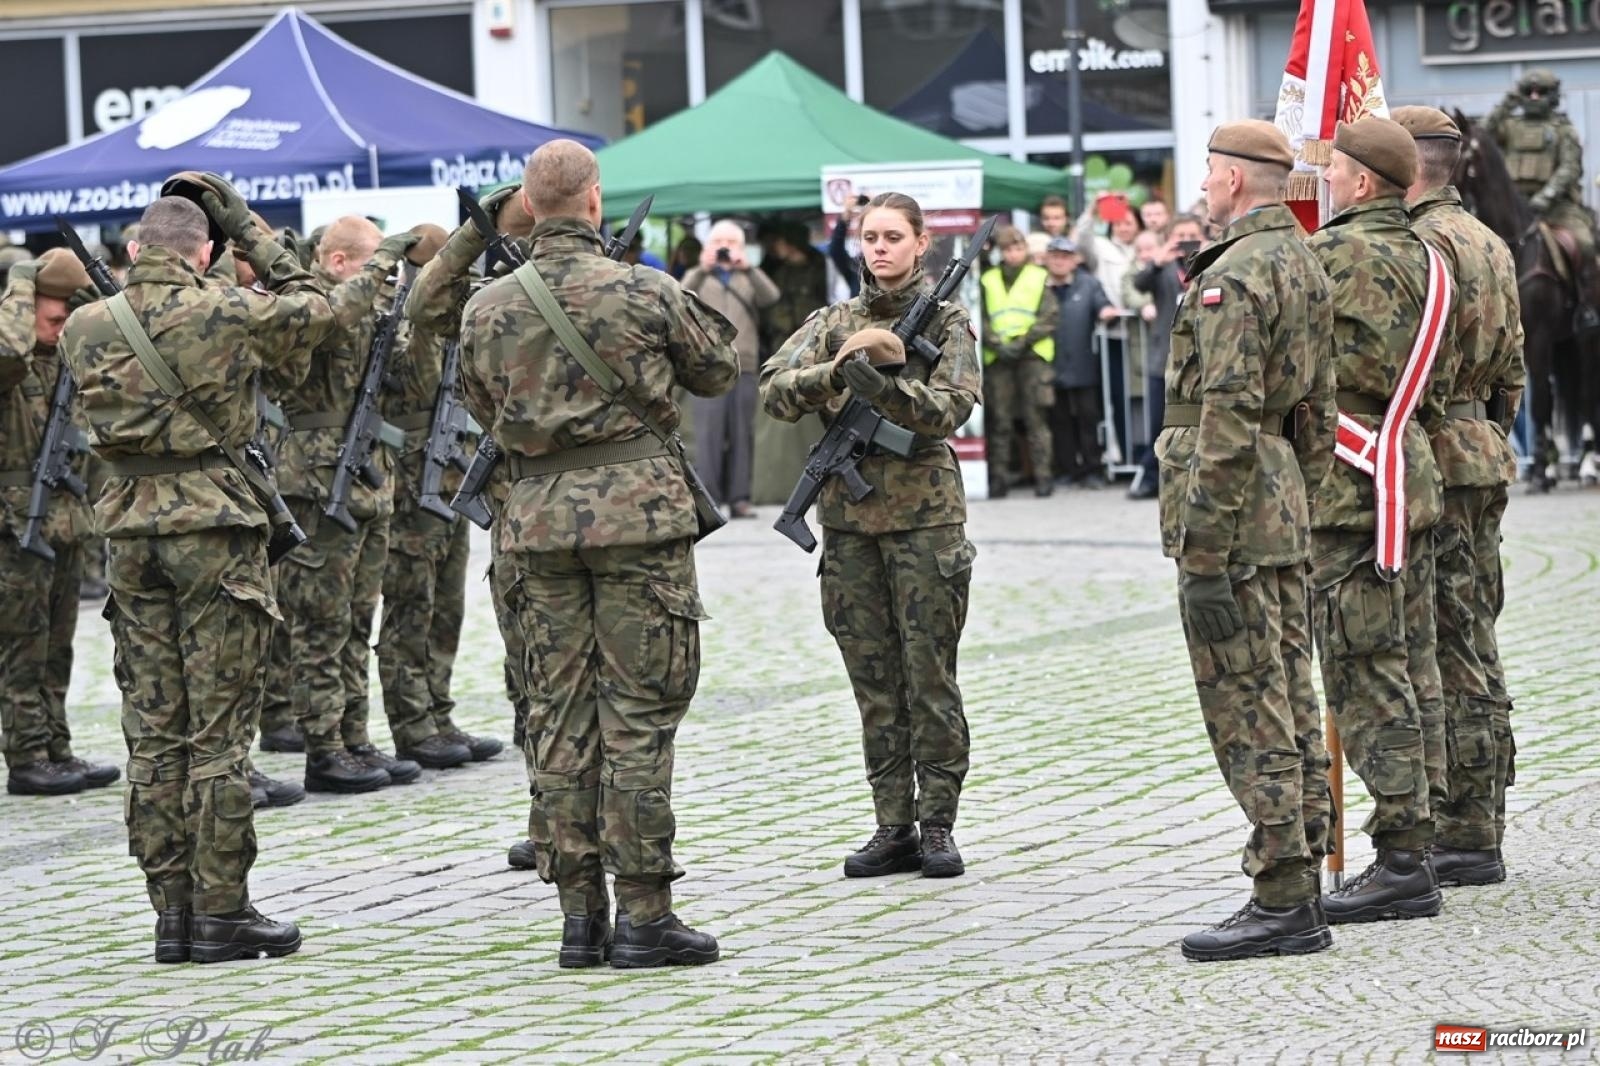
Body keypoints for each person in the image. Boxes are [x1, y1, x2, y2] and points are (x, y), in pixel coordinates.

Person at [459, 139, 738, 969]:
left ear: (530, 208)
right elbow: (720, 368)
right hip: (638, 527)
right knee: (639, 717)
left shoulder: (486, 309)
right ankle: (646, 915)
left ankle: (579, 917)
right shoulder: (645, 290)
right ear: (593, 202)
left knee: (558, 717)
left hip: (537, 526)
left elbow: (480, 405)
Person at [61, 182, 333, 963]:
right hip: (213, 530)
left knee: (154, 733)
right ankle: (222, 911)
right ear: (205, 252)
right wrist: (249, 228)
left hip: (130, 536)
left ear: (137, 250)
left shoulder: (85, 324)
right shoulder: (224, 310)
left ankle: (169, 915)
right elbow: (316, 305)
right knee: (218, 735)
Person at [761, 191, 980, 881]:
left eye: (893, 236)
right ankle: (894, 823)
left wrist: (885, 388)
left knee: (929, 677)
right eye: (870, 237)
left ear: (922, 243)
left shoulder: (948, 322)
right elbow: (773, 385)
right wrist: (837, 373)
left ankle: (938, 823)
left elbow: (951, 409)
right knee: (874, 681)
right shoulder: (834, 321)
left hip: (925, 523)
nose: (880, 248)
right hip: (851, 527)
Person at [1158, 121, 1337, 962]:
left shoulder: (1234, 273)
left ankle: (1282, 895)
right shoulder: (1304, 257)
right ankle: (1305, 866)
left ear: (1233, 179)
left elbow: (1227, 417)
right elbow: (1320, 410)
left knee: (1246, 702)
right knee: (1290, 694)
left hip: (1232, 517)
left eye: (1208, 172)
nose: (1204, 186)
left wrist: (1201, 552)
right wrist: (1294, 490)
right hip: (1281, 505)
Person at [1305, 116, 1447, 925]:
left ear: (1361, 182)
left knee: (1364, 675)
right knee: (1411, 665)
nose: (1322, 182)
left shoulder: (1334, 255)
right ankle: (1420, 842)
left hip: (1351, 481)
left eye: (1332, 173)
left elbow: (1302, 363)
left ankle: (1401, 859)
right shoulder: (1431, 252)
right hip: (1406, 472)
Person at [1393, 105, 1527, 886]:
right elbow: (1512, 367)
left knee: (1442, 643)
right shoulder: (1490, 240)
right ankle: (1483, 811)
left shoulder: (1419, 243)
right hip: (1481, 447)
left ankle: (1465, 825)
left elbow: (1413, 365)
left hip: (1432, 452)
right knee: (1474, 631)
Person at [405, 184, 540, 869]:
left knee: (539, 674)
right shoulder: (499, 297)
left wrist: (469, 235)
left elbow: (423, 302)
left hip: (528, 512)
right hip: (555, 509)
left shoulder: (485, 303)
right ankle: (571, 815)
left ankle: (555, 815)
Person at [274, 216, 425, 794]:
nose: (383, 280)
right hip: (317, 482)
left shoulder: (376, 314)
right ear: (338, 263)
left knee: (359, 618)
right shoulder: (307, 305)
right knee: (320, 620)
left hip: (368, 479)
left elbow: (408, 386)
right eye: (373, 267)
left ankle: (356, 735)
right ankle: (323, 745)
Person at [376, 223, 504, 774]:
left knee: (446, 606)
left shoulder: (462, 324)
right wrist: (430, 323)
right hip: (412, 487)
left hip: (453, 482)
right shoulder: (404, 324)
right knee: (411, 605)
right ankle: (411, 723)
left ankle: (438, 711)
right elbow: (416, 387)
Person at [0, 249, 120, 797]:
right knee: (21, 644)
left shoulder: (69, 358)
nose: (57, 331)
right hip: (15, 524)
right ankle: (26, 756)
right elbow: (9, 347)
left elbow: (117, 316)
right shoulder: (14, 356)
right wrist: (23, 282)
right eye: (50, 320)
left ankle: (56, 746)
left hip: (67, 522)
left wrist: (77, 297)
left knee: (59, 644)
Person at [680, 220, 780, 518]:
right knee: (707, 434)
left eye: (731, 242)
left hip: (744, 365)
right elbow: (679, 295)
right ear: (708, 245)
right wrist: (701, 268)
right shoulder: (700, 277)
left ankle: (739, 498)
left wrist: (748, 267)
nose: (725, 247)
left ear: (741, 246)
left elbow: (771, 297)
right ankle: (709, 499)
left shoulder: (748, 277)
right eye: (719, 241)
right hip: (706, 365)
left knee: (742, 432)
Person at [1485, 68, 1596, 321]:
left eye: (1541, 92)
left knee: (1585, 243)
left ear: (1553, 95)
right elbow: (1482, 134)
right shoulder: (1510, 127)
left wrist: (1546, 197)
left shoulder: (1562, 129)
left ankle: (1586, 308)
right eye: (1528, 92)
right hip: (1515, 208)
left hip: (1557, 208)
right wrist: (1506, 104)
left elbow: (1570, 168)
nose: (1534, 97)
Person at [1129, 215, 1208, 500]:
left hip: (1198, 358)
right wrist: (1158, 261)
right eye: (1180, 235)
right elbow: (1139, 284)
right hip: (1162, 357)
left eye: (1192, 234)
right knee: (1157, 423)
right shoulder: (1162, 268)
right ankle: (1152, 478)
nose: (1186, 239)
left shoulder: (1208, 264)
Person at [980, 226, 1059, 497]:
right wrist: (996, 343)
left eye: (1018, 248)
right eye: (1008, 250)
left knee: (1035, 418)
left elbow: (1049, 316)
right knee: (1000, 420)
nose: (1013, 254)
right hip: (999, 356)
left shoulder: (1038, 276)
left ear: (1025, 249)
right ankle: (999, 479)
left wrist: (1021, 343)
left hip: (1031, 355)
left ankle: (1043, 477)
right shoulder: (988, 279)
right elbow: (980, 316)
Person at [1043, 237, 1118, 486]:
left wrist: (1106, 312)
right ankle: (1068, 470)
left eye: (1065, 256)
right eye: (1055, 256)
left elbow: (1103, 305)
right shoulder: (1039, 285)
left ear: (1075, 260)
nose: (1060, 261)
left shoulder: (1089, 284)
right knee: (1060, 421)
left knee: (1089, 418)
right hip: (1048, 366)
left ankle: (1092, 468)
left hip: (1083, 364)